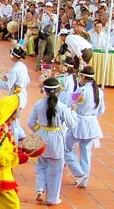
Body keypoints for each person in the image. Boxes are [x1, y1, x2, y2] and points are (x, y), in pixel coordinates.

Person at [27, 77, 77, 205]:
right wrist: (73, 113)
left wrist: (38, 131)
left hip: (42, 136)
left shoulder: (38, 104)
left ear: (44, 90)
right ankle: (52, 198)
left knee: (41, 164)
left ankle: (39, 189)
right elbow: (72, 124)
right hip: (56, 137)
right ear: (57, 91)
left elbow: (30, 122)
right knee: (55, 169)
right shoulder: (61, 106)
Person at [64, 66, 105, 189]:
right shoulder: (99, 92)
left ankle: (79, 173)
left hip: (80, 122)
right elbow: (101, 110)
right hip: (92, 123)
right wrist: (92, 116)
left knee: (67, 148)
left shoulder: (81, 91)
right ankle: (84, 181)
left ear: (83, 77)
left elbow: (70, 104)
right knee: (86, 152)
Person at [0, 44, 30, 143]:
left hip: (16, 97)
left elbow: (8, 85)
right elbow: (26, 80)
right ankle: (21, 136)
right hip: (22, 93)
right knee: (16, 119)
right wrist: (5, 76)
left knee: (14, 121)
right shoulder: (22, 66)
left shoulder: (15, 69)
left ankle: (14, 142)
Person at [36, 2, 57, 71]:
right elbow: (39, 22)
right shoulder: (43, 15)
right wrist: (41, 14)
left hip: (51, 34)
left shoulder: (54, 15)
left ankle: (47, 66)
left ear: (51, 8)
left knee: (50, 51)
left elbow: (53, 21)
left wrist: (49, 15)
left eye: (49, 7)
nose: (48, 8)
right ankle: (38, 66)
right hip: (43, 34)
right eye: (47, 6)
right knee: (41, 51)